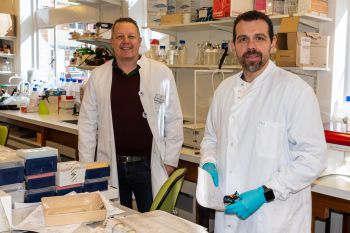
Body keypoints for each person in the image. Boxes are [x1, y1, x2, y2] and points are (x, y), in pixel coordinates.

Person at [199, 10, 327, 233]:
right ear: (233, 46)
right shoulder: (223, 90)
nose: (251, 46)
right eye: (243, 39)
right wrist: (209, 161)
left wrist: (265, 193)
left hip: (274, 218)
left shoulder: (296, 91)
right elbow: (211, 139)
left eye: (259, 38)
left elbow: (313, 159)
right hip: (229, 215)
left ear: (273, 43)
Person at [78, 17, 183, 213]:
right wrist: (88, 166)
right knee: (113, 219)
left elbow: (174, 118)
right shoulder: (98, 76)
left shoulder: (161, 73)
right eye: (119, 36)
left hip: (148, 165)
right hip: (110, 164)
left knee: (152, 221)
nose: (125, 41)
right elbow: (87, 125)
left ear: (139, 40)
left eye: (131, 36)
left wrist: (169, 161)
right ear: (112, 42)